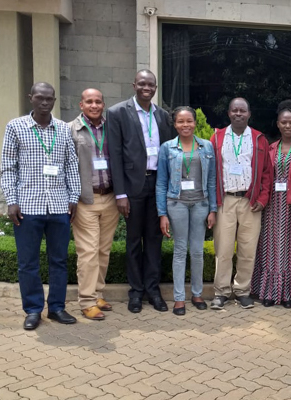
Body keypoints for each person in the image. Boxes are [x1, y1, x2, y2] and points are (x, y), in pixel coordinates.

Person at [1, 82, 81, 330]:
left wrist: (73, 197)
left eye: (49, 99)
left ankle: (57, 307)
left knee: (59, 260)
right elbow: (8, 166)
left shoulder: (63, 129)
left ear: (54, 101)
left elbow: (71, 166)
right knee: (28, 263)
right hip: (28, 206)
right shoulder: (16, 127)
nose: (45, 103)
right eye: (40, 98)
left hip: (58, 205)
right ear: (31, 98)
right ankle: (33, 310)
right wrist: (11, 201)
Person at [107, 69, 174, 313]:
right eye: (142, 83)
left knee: (155, 240)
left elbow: (167, 153)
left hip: (157, 184)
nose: (147, 87)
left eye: (151, 84)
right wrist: (120, 194)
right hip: (133, 187)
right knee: (134, 241)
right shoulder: (117, 113)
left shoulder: (164, 116)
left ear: (155, 88)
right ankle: (135, 292)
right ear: (134, 84)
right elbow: (114, 154)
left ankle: (153, 290)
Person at [251, 100, 291, 308]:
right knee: (272, 249)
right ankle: (271, 292)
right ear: (278, 124)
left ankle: (290, 294)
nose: (287, 126)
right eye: (283, 122)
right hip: (272, 209)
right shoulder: (270, 149)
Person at [210, 98, 273, 310]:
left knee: (248, 250)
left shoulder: (259, 139)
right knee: (224, 249)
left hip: (250, 202)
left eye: (242, 110)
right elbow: (211, 173)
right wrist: (212, 204)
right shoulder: (217, 138)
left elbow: (266, 173)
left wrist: (263, 199)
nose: (238, 114)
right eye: (235, 110)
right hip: (225, 200)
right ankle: (221, 291)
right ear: (228, 113)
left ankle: (242, 290)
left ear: (249, 114)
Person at [156, 106, 217, 316]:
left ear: (194, 122)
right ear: (174, 124)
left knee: (198, 251)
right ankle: (179, 298)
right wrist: (162, 213)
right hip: (177, 203)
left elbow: (211, 181)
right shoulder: (167, 148)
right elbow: (161, 182)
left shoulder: (206, 147)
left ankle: (197, 294)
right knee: (180, 250)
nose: (185, 125)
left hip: (201, 203)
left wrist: (213, 209)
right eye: (181, 121)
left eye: (189, 121)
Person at [69, 88, 120, 321]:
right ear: (81, 104)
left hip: (110, 197)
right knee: (88, 251)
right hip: (85, 199)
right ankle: (87, 301)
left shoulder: (113, 127)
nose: (94, 105)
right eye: (89, 101)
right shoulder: (72, 129)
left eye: (98, 101)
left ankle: (97, 294)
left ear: (103, 104)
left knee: (103, 250)